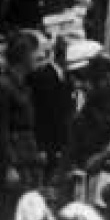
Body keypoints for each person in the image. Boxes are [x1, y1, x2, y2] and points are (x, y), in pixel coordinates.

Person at [0, 30, 42, 220]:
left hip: (26, 156)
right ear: (24, 55)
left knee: (26, 213)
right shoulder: (1, 87)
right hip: (12, 159)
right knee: (9, 215)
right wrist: (8, 166)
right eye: (36, 52)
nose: (39, 57)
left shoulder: (23, 85)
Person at [29, 35, 74, 181]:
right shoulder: (42, 76)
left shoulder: (67, 77)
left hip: (59, 140)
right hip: (45, 140)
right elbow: (41, 113)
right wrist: (41, 146)